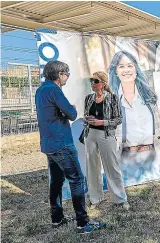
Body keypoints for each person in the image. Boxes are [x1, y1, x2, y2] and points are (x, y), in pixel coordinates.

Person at [35, 61, 105, 234]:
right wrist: (69, 109)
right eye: (67, 74)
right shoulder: (54, 90)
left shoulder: (41, 90)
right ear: (60, 75)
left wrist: (61, 112)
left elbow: (50, 113)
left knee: (57, 182)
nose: (67, 77)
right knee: (77, 180)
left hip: (48, 144)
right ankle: (83, 223)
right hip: (62, 143)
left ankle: (57, 219)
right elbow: (73, 114)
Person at [108, 51, 160, 182]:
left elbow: (159, 128)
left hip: (153, 155)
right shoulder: (111, 101)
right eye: (121, 66)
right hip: (126, 159)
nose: (126, 70)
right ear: (116, 72)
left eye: (130, 65)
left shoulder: (149, 96)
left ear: (136, 69)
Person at [83, 71, 129, 209]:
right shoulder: (88, 98)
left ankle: (120, 199)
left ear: (103, 83)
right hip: (90, 133)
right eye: (91, 80)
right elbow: (86, 114)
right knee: (92, 166)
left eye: (95, 81)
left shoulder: (113, 98)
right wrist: (87, 119)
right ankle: (95, 198)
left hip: (106, 134)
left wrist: (102, 122)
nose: (92, 83)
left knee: (112, 166)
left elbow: (119, 119)